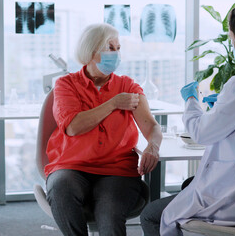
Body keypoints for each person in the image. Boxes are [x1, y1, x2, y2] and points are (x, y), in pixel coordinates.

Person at [140, 1, 235, 236]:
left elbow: (201, 133)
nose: (233, 42)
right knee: (189, 185)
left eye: (231, 36)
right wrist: (223, 108)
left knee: (151, 216)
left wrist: (191, 101)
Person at [45, 23, 162, 236]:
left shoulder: (128, 86)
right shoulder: (66, 85)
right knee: (61, 188)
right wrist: (113, 104)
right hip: (72, 167)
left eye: (118, 48)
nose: (116, 54)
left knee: (109, 214)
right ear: (91, 52)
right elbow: (73, 127)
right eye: (110, 48)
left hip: (116, 170)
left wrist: (153, 146)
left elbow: (151, 126)